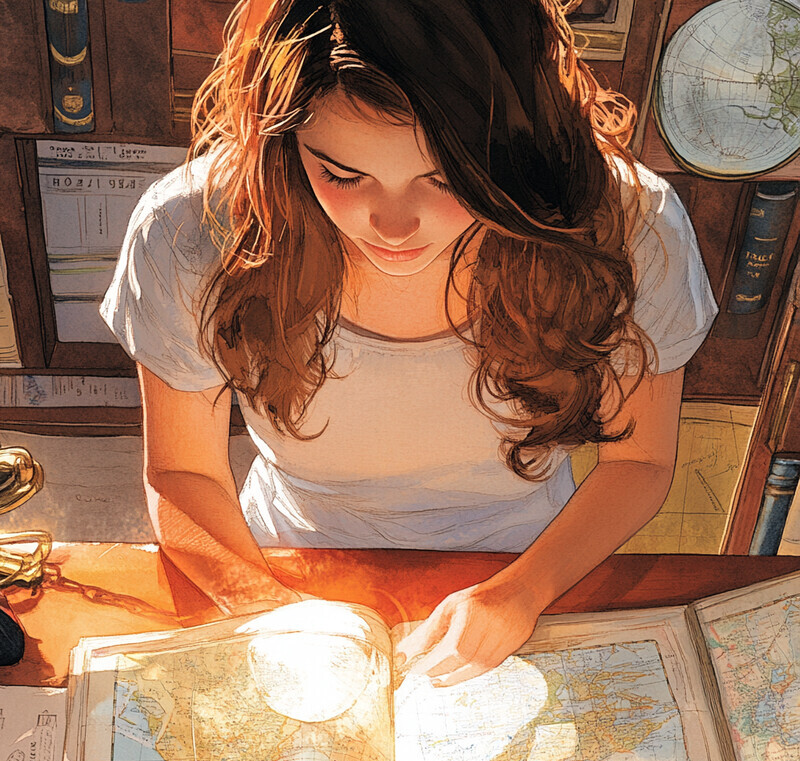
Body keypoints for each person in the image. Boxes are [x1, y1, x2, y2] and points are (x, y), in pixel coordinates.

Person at [99, 0, 718, 687]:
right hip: (287, 557)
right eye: (342, 174)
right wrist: (269, 613)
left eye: (448, 178)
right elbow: (184, 475)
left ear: (517, 148)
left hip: (533, 557)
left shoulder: (629, 227)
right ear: (282, 140)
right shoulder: (194, 231)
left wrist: (521, 592)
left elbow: (640, 462)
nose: (394, 225)